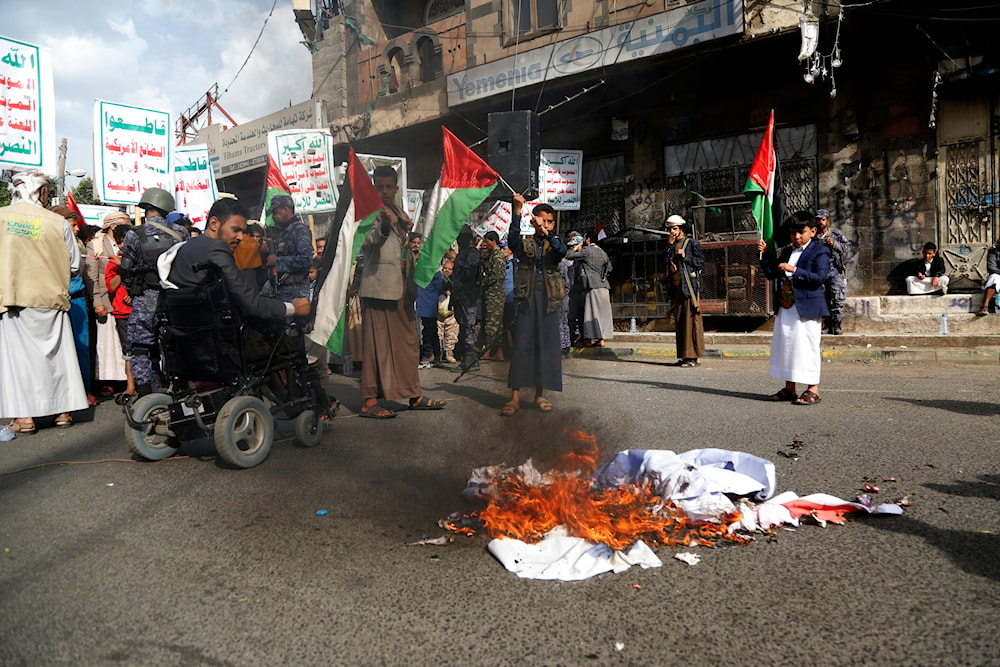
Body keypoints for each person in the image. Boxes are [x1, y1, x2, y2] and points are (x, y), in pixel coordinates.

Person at [0, 171, 89, 434]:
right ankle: (62, 412)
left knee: (16, 362)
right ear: (40, 192)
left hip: (13, 299)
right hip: (52, 299)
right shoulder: (56, 222)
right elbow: (74, 265)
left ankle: (24, 418)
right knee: (57, 358)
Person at [358, 165, 445, 418]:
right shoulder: (369, 211)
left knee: (408, 344)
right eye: (379, 186)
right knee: (376, 347)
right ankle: (369, 401)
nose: (384, 191)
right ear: (373, 187)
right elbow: (368, 241)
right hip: (378, 289)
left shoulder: (399, 211)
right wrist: (384, 226)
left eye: (388, 186)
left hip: (403, 288)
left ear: (396, 189)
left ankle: (413, 394)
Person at [120, 187, 189, 395]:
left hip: (145, 300)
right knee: (174, 344)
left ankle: (144, 394)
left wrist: (132, 292)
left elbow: (125, 270)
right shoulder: (181, 232)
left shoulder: (134, 234)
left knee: (141, 348)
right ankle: (179, 389)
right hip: (174, 299)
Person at [758, 210, 832, 406]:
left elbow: (820, 278)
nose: (797, 237)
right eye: (793, 233)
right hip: (787, 304)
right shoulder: (788, 251)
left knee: (807, 347)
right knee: (787, 346)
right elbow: (771, 274)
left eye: (801, 232)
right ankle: (789, 388)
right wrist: (765, 255)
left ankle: (813, 388)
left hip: (807, 306)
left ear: (813, 231)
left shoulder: (820, 251)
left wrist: (795, 270)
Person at [502, 194, 567, 416]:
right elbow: (512, 240)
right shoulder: (525, 243)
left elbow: (561, 251)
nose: (546, 224)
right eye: (542, 220)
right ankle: (515, 398)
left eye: (550, 221)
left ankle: (540, 395)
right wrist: (517, 210)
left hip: (549, 302)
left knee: (545, 348)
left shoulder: (555, 243)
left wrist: (548, 232)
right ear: (533, 221)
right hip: (527, 301)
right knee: (522, 346)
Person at [664, 214, 704, 367]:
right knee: (681, 322)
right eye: (670, 229)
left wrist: (686, 257)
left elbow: (700, 262)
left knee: (691, 322)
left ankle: (693, 357)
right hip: (677, 288)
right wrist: (669, 245)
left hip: (689, 288)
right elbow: (662, 260)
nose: (672, 232)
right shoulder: (671, 245)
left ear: (681, 229)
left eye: (674, 228)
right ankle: (684, 355)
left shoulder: (691, 243)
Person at [565, 230, 614, 347]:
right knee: (602, 315)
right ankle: (601, 339)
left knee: (591, 314)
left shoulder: (587, 251)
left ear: (587, 240)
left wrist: (576, 247)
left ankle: (588, 339)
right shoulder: (602, 252)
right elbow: (610, 268)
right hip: (604, 286)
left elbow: (569, 255)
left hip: (592, 285)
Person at [105, 224, 137, 395]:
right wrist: (121, 267)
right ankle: (130, 387)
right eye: (119, 243)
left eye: (125, 241)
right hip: (122, 312)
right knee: (128, 350)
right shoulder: (114, 262)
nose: (123, 245)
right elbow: (111, 286)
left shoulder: (141, 259)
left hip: (139, 309)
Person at [265, 195, 313, 304]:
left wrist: (277, 261)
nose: (273, 217)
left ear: (285, 211)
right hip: (283, 291)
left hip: (296, 294)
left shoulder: (299, 230)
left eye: (275, 213)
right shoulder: (284, 232)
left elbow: (306, 260)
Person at [816, 209, 850, 334]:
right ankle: (827, 325)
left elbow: (847, 248)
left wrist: (834, 243)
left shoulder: (835, 234)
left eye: (823, 219)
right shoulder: (814, 236)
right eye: (818, 220)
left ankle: (837, 325)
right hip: (820, 272)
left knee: (837, 299)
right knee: (823, 299)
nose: (820, 222)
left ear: (827, 220)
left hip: (835, 271)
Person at [451, 228, 481, 371]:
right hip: (461, 297)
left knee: (469, 328)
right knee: (464, 327)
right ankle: (468, 359)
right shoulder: (462, 253)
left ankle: (470, 360)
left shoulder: (472, 253)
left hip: (469, 298)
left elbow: (469, 272)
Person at [480, 230, 507, 360]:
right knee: (497, 325)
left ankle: (488, 351)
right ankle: (499, 352)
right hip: (494, 294)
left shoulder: (497, 256)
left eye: (487, 242)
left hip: (494, 295)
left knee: (492, 324)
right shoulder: (494, 255)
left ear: (493, 241)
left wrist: (483, 282)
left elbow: (497, 276)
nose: (486, 244)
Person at [437, 259, 459, 364]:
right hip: (438, 310)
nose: (446, 270)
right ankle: (438, 354)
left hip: (450, 311)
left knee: (451, 333)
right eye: (445, 268)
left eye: (449, 269)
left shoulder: (455, 281)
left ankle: (449, 354)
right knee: (438, 333)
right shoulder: (439, 279)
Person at [977, 240, 1000, 315]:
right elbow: (991, 268)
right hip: (999, 275)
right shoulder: (994, 252)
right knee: (994, 277)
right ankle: (985, 306)